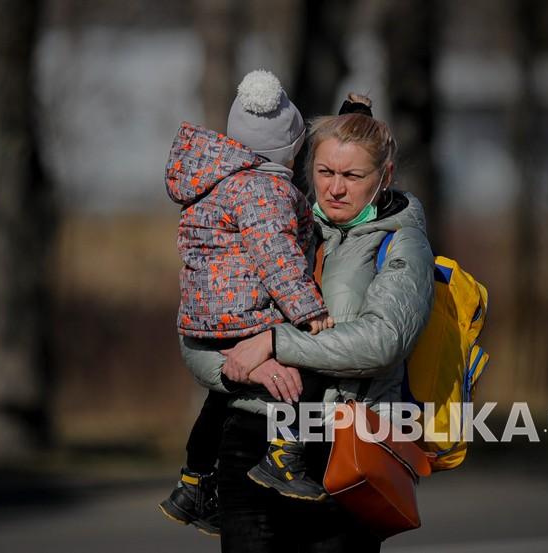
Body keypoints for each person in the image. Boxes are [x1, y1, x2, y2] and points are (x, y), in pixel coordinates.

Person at [180, 93, 436, 552]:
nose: (336, 188)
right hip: (247, 442)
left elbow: (383, 341)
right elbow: (198, 332)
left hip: (343, 448)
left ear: (385, 176)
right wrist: (245, 368)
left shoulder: (403, 243)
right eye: (326, 173)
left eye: (353, 176)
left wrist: (275, 343)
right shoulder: (271, 220)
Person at [159, 70, 336, 536]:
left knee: (220, 399)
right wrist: (308, 311)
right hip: (244, 309)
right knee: (300, 368)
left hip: (202, 312)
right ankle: (286, 454)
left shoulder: (216, 180)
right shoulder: (266, 190)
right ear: (287, 149)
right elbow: (275, 254)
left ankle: (193, 482)